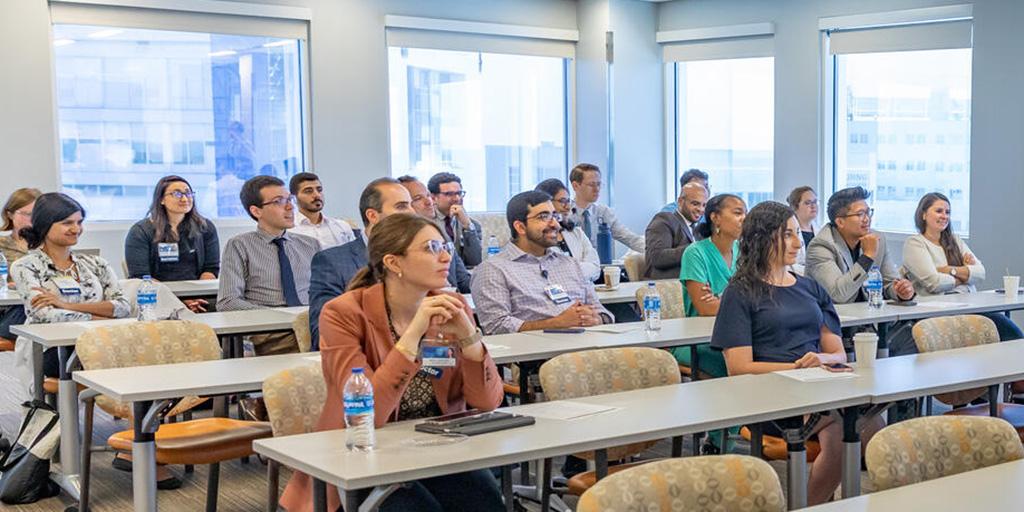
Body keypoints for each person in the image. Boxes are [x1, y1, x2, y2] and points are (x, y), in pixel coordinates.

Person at [281, 214, 504, 512]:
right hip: (364, 452)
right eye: (430, 248)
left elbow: (487, 402)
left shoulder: (453, 305)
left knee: (486, 502)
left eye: (445, 246)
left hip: (438, 446)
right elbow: (367, 414)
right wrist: (412, 335)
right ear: (393, 263)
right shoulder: (343, 313)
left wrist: (470, 339)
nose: (445, 256)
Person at [471, 190, 613, 335]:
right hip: (534, 354)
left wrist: (597, 319)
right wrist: (557, 323)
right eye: (543, 217)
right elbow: (496, 326)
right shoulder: (493, 269)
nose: (555, 224)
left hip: (586, 346)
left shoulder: (570, 264)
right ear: (520, 227)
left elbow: (602, 312)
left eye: (554, 216)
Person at [218, 175, 320, 355]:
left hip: (312, 325)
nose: (290, 207)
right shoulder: (240, 245)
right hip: (270, 331)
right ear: (256, 211)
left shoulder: (310, 245)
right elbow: (228, 301)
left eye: (289, 199)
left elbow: (324, 293)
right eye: (279, 201)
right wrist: (278, 316)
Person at [903, 192, 1022, 340]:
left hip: (969, 304)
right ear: (923, 215)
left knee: (1012, 332)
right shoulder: (915, 243)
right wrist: (965, 275)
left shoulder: (955, 240)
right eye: (938, 211)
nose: (944, 216)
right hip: (938, 311)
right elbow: (934, 283)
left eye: (948, 212)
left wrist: (948, 270)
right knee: (1005, 330)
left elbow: (980, 273)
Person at [669, 194, 746, 375]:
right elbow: (705, 307)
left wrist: (723, 299)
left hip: (738, 333)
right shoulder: (695, 253)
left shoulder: (743, 251)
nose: (744, 219)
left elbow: (757, 298)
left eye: (745, 213)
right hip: (702, 341)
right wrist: (742, 303)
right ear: (715, 217)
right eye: (737, 213)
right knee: (735, 363)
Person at [124, 175, 219, 312]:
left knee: (220, 306)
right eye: (177, 194)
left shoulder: (205, 227)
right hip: (158, 296)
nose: (185, 198)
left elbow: (211, 269)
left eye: (188, 193)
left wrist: (195, 295)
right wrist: (177, 299)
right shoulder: (140, 231)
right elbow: (141, 276)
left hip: (199, 296)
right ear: (161, 199)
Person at [806, 186, 915, 304]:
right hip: (836, 319)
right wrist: (867, 257)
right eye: (860, 214)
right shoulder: (821, 246)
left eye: (868, 212)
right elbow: (838, 295)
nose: (867, 219)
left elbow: (889, 284)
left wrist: (901, 291)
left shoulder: (878, 239)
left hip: (870, 317)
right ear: (840, 222)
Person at [397, 175, 472, 291]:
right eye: (418, 198)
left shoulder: (440, 235)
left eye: (427, 195)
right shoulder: (398, 245)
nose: (429, 202)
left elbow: (464, 281)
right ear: (403, 206)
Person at [534, 178, 601, 282]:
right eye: (562, 201)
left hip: (585, 293)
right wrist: (580, 268)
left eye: (568, 201)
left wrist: (567, 271)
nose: (568, 207)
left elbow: (595, 268)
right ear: (546, 203)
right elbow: (548, 273)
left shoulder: (577, 233)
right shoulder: (537, 237)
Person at [568, 163, 645, 253]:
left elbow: (629, 238)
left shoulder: (603, 212)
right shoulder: (564, 214)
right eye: (591, 185)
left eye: (599, 184)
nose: (597, 189)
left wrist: (656, 251)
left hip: (601, 265)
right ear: (575, 186)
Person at [643, 181, 707, 279]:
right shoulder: (665, 219)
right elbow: (658, 257)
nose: (700, 209)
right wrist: (696, 248)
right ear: (680, 201)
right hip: (666, 287)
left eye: (704, 205)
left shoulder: (696, 229)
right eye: (695, 204)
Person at [0, 188, 40, 343]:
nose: (32, 219)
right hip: (11, 308)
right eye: (26, 214)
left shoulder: (49, 245)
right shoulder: (2, 245)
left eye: (37, 214)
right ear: (10, 214)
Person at [287, 172, 356, 249]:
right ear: (294, 197)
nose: (317, 195)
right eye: (308, 191)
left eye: (319, 190)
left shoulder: (341, 226)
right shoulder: (288, 231)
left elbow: (354, 256)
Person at [428, 172, 483, 267]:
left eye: (459, 193)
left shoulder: (471, 224)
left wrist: (467, 226)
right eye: (449, 194)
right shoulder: (426, 223)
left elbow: (475, 261)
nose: (457, 198)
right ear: (433, 198)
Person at [787, 186, 819, 275]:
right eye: (807, 203)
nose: (813, 206)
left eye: (815, 202)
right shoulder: (786, 232)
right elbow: (788, 265)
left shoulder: (822, 232)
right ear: (795, 207)